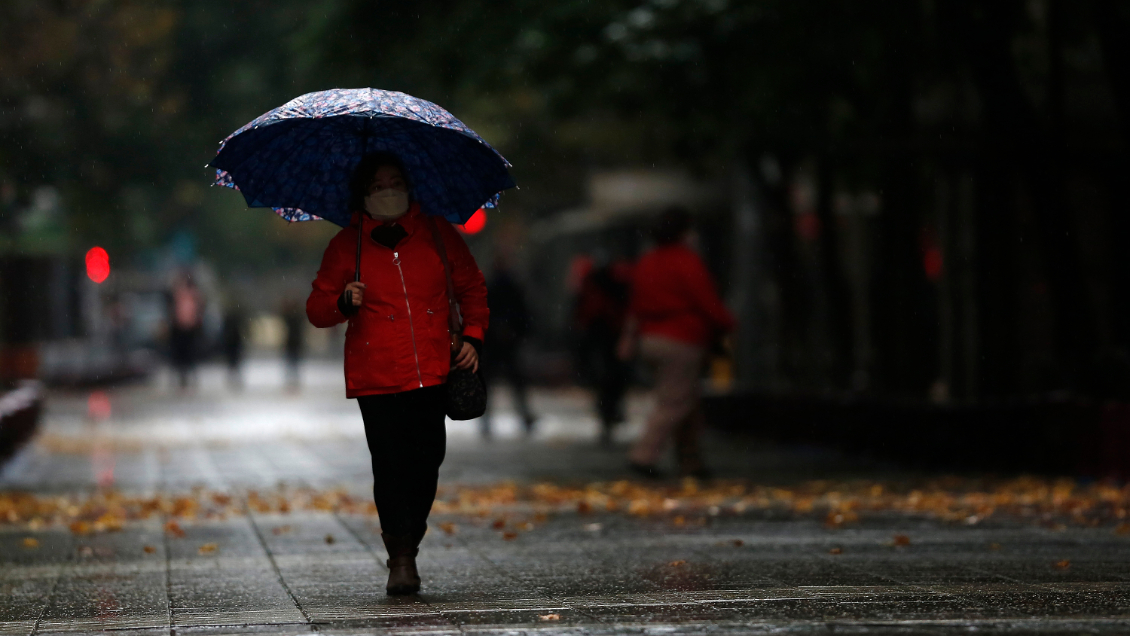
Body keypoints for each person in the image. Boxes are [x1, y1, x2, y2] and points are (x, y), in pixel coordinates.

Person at [306, 152, 487, 595]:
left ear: (409, 186)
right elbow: (316, 310)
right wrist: (343, 303)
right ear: (363, 195)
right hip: (377, 375)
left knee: (426, 464)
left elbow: (472, 289)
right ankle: (401, 557)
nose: (388, 191)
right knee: (389, 466)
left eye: (394, 182)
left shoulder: (439, 235)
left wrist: (474, 338)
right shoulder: (346, 246)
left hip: (432, 369)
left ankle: (409, 537)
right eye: (377, 185)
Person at [618, 207, 735, 479]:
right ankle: (642, 455)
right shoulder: (686, 262)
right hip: (682, 339)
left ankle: (692, 463)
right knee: (674, 402)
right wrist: (727, 324)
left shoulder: (647, 261)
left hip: (651, 338)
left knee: (687, 401)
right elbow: (707, 302)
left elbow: (635, 304)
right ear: (684, 232)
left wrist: (628, 338)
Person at [574, 253, 633, 445]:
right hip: (610, 335)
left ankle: (607, 412)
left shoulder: (592, 286)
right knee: (613, 377)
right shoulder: (616, 287)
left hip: (600, 336)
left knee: (605, 378)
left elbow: (582, 310)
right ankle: (610, 411)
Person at [481, 256, 535, 438]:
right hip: (504, 342)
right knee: (514, 381)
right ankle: (524, 417)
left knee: (492, 382)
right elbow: (523, 313)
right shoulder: (511, 286)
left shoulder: (492, 286)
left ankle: (486, 420)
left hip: (496, 342)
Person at [167, 271, 202, 390]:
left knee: (189, 354)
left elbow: (198, 311)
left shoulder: (193, 294)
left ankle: (188, 376)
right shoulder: (177, 294)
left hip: (189, 328)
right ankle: (181, 377)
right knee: (180, 354)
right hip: (180, 328)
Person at [281, 298, 305, 390]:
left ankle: (292, 382)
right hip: (294, 342)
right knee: (293, 363)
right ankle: (292, 382)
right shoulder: (296, 316)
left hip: (293, 342)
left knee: (293, 363)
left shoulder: (293, 317)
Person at [220, 304, 246, 390]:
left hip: (232, 344)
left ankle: (234, 378)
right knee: (234, 363)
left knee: (233, 363)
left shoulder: (229, 323)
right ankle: (234, 378)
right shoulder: (235, 324)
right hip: (233, 345)